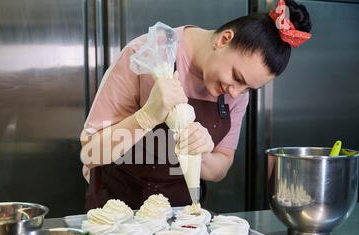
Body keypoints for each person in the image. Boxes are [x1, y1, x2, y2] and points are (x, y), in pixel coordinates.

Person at [80, 0, 312, 211]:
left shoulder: (237, 92)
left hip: (182, 220)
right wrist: (147, 116)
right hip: (117, 214)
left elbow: (221, 168)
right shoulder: (149, 55)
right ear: (224, 39)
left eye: (248, 88)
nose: (236, 93)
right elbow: (90, 152)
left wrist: (203, 154)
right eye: (237, 77)